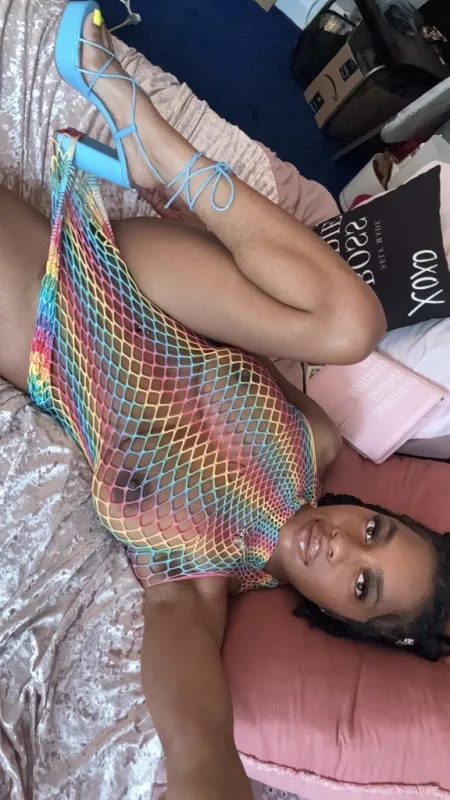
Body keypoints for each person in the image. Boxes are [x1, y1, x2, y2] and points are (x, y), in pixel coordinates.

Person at [1, 3, 449, 798]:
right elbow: (238, 336)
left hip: (53, 326)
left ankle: (146, 155)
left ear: (336, 619)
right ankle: (153, 148)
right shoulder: (317, 443)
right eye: (375, 532)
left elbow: (199, 741)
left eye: (361, 585)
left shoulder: (201, 583)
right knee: (353, 326)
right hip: (150, 284)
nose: (344, 547)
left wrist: (209, 773)